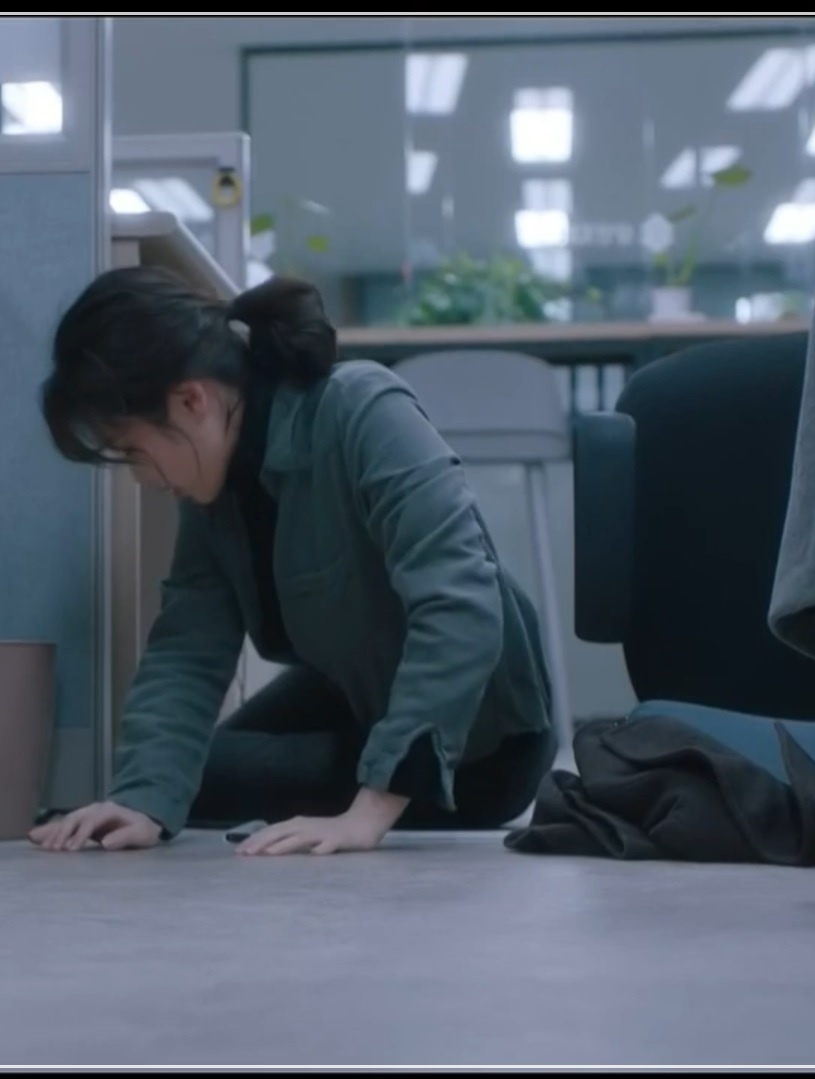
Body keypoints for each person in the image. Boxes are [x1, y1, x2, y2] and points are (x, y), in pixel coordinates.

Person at [30, 266, 557, 857]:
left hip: (481, 749)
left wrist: (368, 812)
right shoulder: (216, 487)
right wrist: (140, 801)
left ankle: (383, 776)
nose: (140, 477)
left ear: (190, 400)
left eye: (132, 450)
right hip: (357, 693)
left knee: (211, 779)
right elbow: (187, 647)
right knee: (176, 777)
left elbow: (461, 606)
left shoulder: (363, 408)